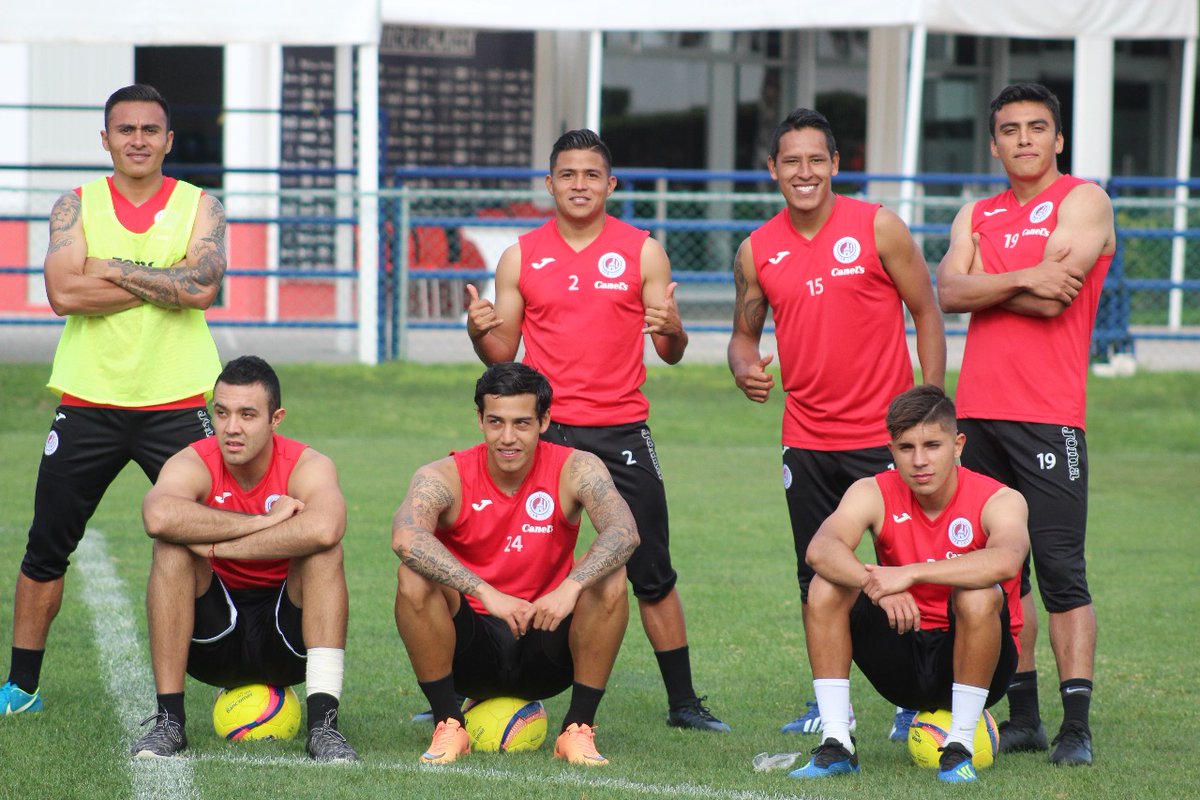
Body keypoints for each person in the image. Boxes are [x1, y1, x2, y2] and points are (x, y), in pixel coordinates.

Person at [463, 129, 728, 732]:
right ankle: (468, 686)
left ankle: (684, 702)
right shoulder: (521, 256)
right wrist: (479, 331)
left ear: (610, 184)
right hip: (545, 435)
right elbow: (502, 353)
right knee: (511, 563)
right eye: (567, 174)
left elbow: (671, 351)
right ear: (549, 183)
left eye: (591, 175)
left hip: (621, 432)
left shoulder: (643, 252)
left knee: (650, 568)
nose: (579, 185)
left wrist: (674, 328)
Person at [0, 84, 225, 716]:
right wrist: (164, 281)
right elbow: (64, 295)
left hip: (178, 400)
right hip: (88, 399)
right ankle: (21, 687)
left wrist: (109, 267)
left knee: (217, 544)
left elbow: (202, 289)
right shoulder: (75, 205)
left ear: (169, 140)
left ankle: (240, 670)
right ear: (105, 139)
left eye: (150, 130)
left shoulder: (201, 205)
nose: (138, 140)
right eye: (125, 129)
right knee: (47, 546)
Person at [726, 107, 946, 738]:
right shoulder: (756, 250)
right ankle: (832, 707)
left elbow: (927, 312)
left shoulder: (877, 226)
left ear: (836, 165)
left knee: (913, 573)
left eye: (816, 160)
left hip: (884, 441)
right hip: (807, 442)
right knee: (820, 575)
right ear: (772, 169)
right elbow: (743, 338)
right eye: (792, 161)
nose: (805, 172)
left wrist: (929, 406)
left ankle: (917, 696)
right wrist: (744, 369)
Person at [936, 83, 1115, 767]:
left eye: (1037, 127)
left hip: (1048, 417)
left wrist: (988, 276)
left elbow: (1054, 299)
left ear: (1058, 138)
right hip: (977, 416)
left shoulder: (1083, 200)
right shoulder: (975, 212)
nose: (1024, 139)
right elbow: (948, 291)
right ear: (994, 144)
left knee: (1061, 571)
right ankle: (1025, 718)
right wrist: (1024, 275)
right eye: (1010, 129)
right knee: (1002, 574)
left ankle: (1076, 727)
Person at [392, 362, 639, 765]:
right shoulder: (443, 475)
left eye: (522, 423)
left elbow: (624, 531)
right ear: (480, 419)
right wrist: (485, 592)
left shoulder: (576, 467)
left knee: (610, 575)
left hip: (547, 641)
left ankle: (577, 729)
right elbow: (406, 538)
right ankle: (448, 724)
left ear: (544, 421)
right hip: (470, 649)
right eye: (496, 422)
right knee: (412, 574)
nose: (508, 438)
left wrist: (570, 588)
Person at [789, 385, 1028, 784]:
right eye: (906, 448)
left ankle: (960, 748)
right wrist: (876, 584)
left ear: (958, 445)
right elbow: (821, 548)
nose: (919, 461)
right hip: (902, 649)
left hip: (980, 661)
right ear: (891, 449)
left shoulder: (1000, 498)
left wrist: (911, 573)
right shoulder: (872, 491)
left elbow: (1006, 560)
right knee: (825, 586)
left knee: (978, 593)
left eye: (932, 445)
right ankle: (837, 743)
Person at [130, 356, 357, 762]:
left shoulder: (306, 464)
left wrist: (218, 546)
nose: (232, 427)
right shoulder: (194, 460)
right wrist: (262, 522)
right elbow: (159, 516)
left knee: (325, 553)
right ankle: (168, 722)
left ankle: (324, 728)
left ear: (276, 419)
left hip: (288, 639)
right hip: (214, 638)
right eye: (221, 413)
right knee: (170, 547)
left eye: (248, 415)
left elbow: (326, 528)